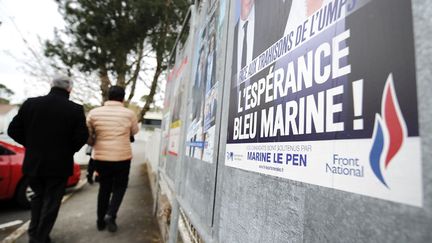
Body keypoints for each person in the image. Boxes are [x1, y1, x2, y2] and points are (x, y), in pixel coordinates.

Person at [8, 76, 88, 243]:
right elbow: (82, 137)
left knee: (37, 198)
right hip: (59, 165)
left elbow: (13, 130)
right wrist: (66, 150)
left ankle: (34, 234)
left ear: (51, 85)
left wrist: (32, 145)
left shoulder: (30, 103)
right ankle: (40, 238)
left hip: (33, 163)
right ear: (69, 89)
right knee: (51, 203)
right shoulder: (75, 109)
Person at [86, 85, 139, 233]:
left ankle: (100, 221)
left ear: (108, 96)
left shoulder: (94, 113)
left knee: (104, 188)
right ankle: (111, 214)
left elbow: (88, 134)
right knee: (120, 187)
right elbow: (134, 131)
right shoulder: (129, 114)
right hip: (122, 157)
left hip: (101, 157)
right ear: (123, 97)